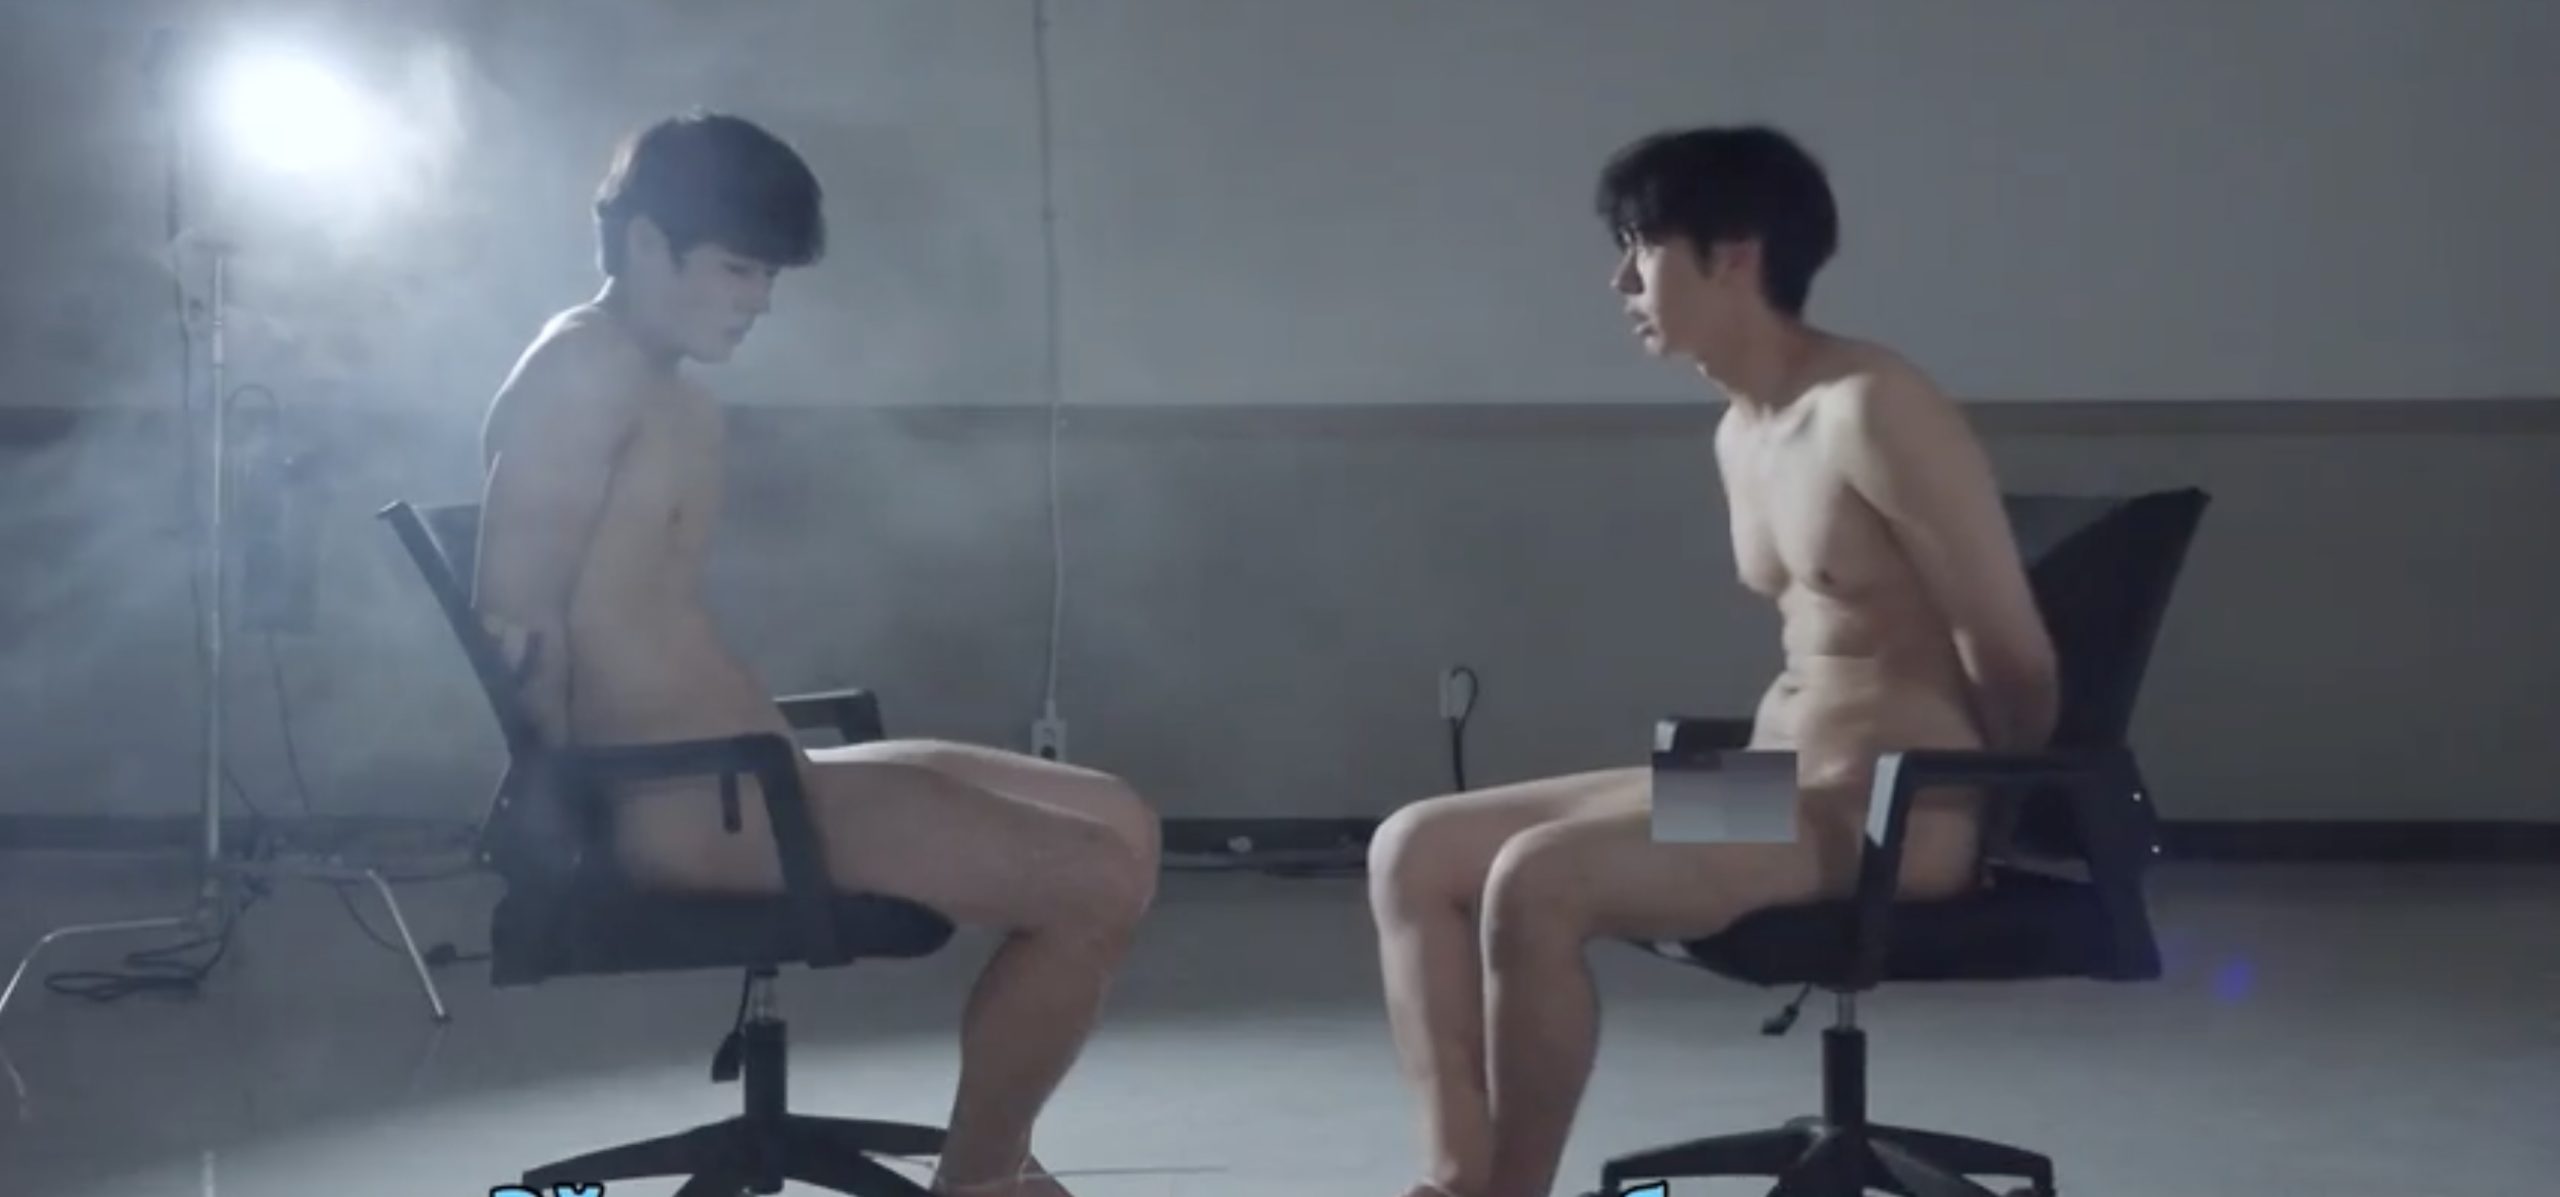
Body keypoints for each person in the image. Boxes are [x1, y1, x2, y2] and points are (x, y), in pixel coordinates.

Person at [471, 111, 1160, 1197]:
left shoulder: (655, 382)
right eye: (738, 269)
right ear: (647, 244)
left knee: (1119, 817)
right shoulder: (581, 372)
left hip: (745, 773)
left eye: (770, 276)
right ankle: (982, 1181)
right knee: (1094, 881)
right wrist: (566, 816)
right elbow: (514, 616)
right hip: (687, 802)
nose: (759, 300)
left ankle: (994, 1158)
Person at [1364, 125, 2060, 1197]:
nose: (1620, 282)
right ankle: (1456, 1179)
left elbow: (2012, 652)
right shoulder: (1741, 430)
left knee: (1539, 879)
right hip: (1770, 790)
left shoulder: (1873, 407)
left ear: (1732, 254)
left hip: (1892, 810)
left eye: (1640, 247)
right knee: (1413, 847)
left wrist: (1999, 814)